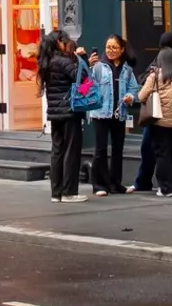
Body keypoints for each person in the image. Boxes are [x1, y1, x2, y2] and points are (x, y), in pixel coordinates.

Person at [39, 29, 88, 203]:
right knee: (71, 151)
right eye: (66, 42)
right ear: (60, 42)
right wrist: (81, 60)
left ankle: (56, 192)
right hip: (70, 110)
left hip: (54, 112)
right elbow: (81, 79)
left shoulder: (47, 62)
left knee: (57, 151)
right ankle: (69, 192)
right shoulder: (63, 61)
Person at [88, 34, 139, 197]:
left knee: (118, 149)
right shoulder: (97, 67)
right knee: (100, 150)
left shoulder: (127, 69)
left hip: (119, 113)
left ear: (122, 50)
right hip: (99, 114)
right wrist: (87, 69)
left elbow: (134, 89)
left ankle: (116, 184)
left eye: (114, 48)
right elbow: (85, 88)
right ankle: (99, 185)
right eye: (108, 47)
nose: (110, 51)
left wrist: (130, 97)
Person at [136, 48, 172, 196]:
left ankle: (167, 188)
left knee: (162, 154)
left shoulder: (155, 77)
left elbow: (141, 96)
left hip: (160, 121)